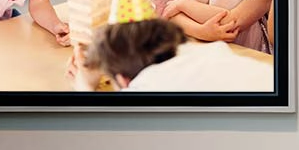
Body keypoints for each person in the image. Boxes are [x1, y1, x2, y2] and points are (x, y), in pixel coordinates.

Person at [79, 18, 275, 92]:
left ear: (124, 80)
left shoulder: (148, 85)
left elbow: (103, 133)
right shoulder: (208, 50)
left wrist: (85, 86)